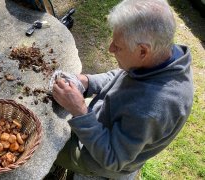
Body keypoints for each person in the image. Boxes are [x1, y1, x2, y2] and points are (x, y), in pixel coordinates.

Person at [51, 0, 194, 179]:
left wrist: (80, 112)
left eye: (117, 46)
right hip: (104, 125)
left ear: (143, 51)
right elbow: (124, 76)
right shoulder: (164, 56)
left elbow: (113, 158)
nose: (110, 49)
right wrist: (87, 82)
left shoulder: (151, 108)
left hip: (102, 160)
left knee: (45, 144)